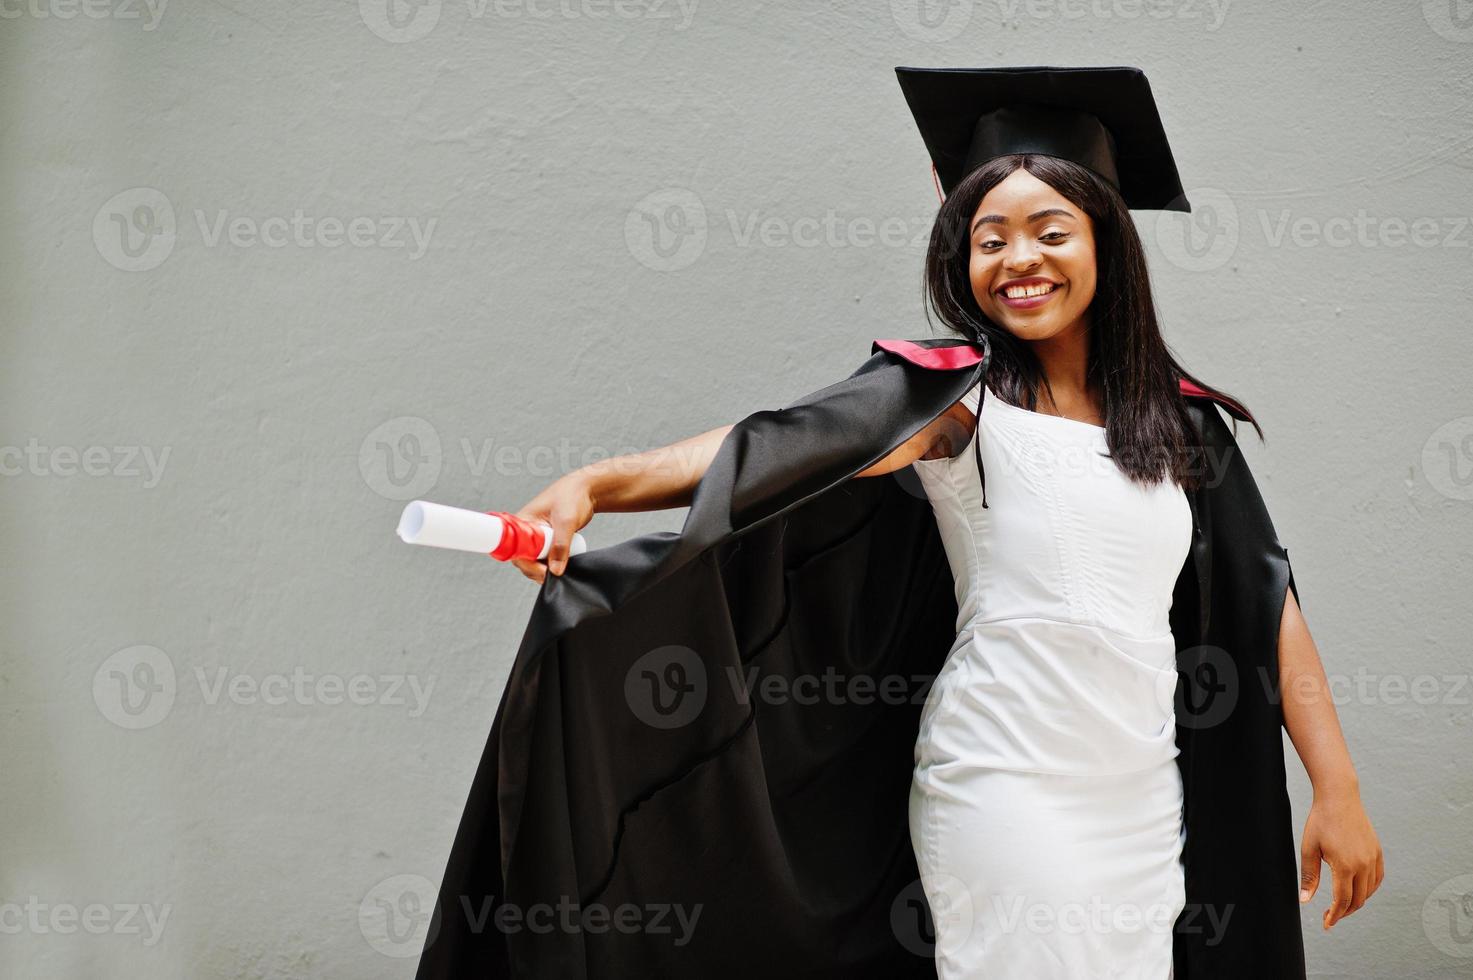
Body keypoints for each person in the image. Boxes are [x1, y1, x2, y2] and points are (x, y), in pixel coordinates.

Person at [417, 66, 1381, 980]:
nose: (1019, 260)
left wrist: (1333, 788)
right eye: (989, 237)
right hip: (1004, 776)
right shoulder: (957, 397)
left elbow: (1268, 602)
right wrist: (600, 482)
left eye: (1050, 230)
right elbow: (778, 446)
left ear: (1103, 243)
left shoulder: (1179, 423)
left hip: (1139, 794)